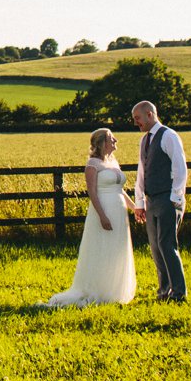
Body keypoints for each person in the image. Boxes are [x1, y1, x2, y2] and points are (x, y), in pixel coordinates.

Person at [44, 127, 137, 307]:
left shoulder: (113, 162)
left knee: (117, 249)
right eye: (111, 138)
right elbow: (92, 192)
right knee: (101, 247)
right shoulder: (93, 164)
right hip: (104, 208)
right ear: (102, 143)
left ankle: (114, 289)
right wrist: (102, 216)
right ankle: (99, 288)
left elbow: (120, 189)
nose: (115, 140)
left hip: (119, 211)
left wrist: (134, 207)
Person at [129, 100, 188, 302]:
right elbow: (141, 172)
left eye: (137, 118)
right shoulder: (144, 141)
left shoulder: (169, 136)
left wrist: (174, 198)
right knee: (155, 247)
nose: (136, 122)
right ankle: (164, 292)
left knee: (167, 245)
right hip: (151, 199)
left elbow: (180, 169)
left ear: (150, 114)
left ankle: (178, 292)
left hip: (167, 198)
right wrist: (139, 203)